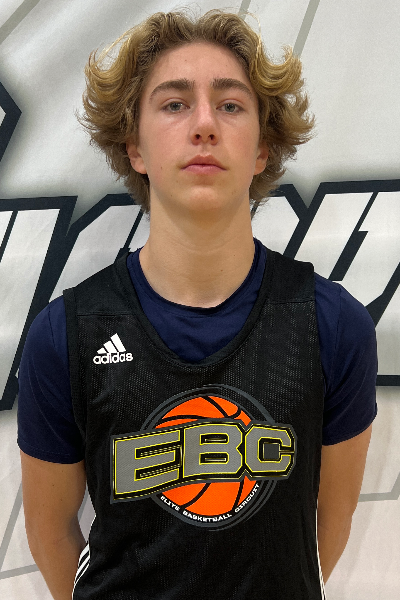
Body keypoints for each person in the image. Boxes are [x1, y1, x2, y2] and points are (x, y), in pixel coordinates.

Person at [18, 8, 377, 600]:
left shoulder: (333, 324)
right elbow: (49, 531)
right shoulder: (66, 334)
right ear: (135, 147)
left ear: (262, 149)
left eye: (230, 105)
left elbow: (325, 530)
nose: (205, 124)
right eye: (175, 104)